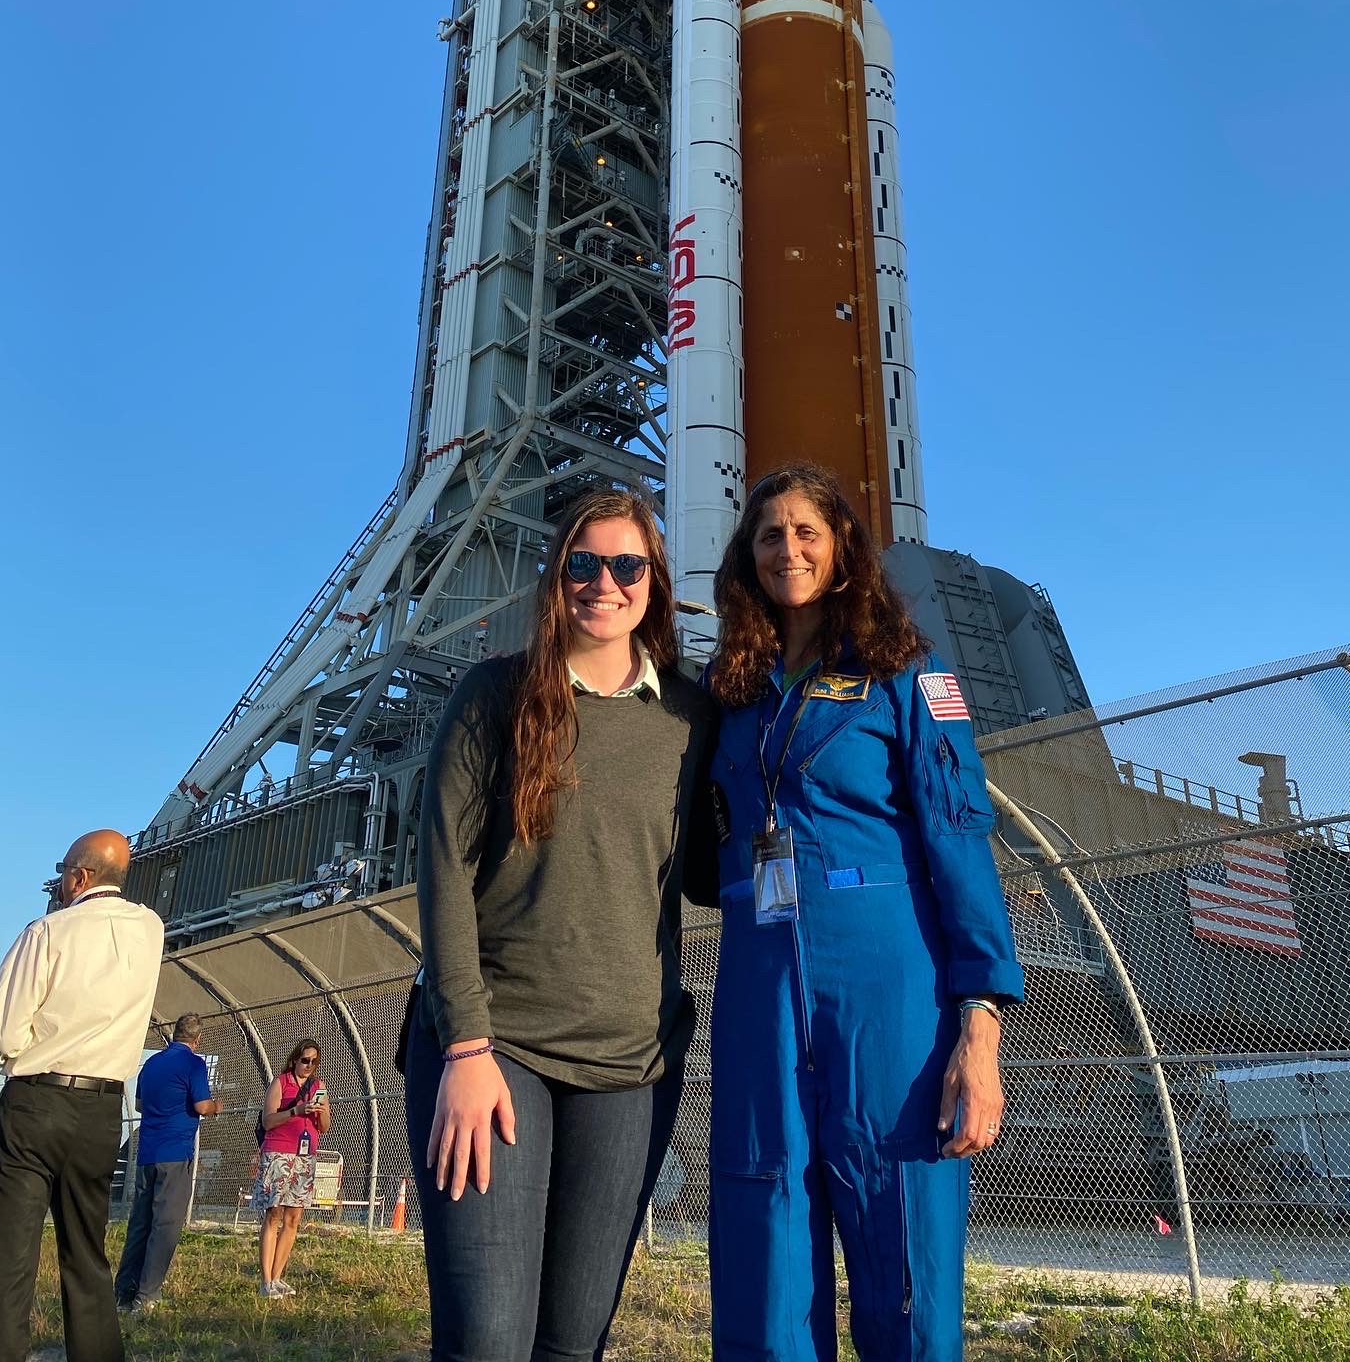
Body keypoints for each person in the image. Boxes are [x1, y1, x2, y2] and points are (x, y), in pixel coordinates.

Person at [700, 463, 1025, 1362]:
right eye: (770, 534)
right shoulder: (732, 692)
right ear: (748, 556)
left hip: (886, 979)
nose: (788, 548)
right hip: (760, 979)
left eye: (807, 530)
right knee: (763, 1227)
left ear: (843, 548)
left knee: (903, 1239)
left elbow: (958, 838)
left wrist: (980, 1024)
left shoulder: (906, 676)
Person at [404, 486, 716, 1362]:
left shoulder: (687, 721)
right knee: (487, 1339)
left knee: (573, 1340)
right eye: (584, 563)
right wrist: (465, 1047)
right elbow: (444, 873)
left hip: (629, 1064)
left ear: (653, 580)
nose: (604, 583)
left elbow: (705, 874)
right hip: (496, 1050)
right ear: (557, 576)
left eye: (626, 566)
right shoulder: (494, 695)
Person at [0, 828, 164, 1362]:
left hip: (35, 1103)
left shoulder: (46, 932)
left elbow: (4, 1034)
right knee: (86, 1254)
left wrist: (3, 1057)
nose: (57, 883)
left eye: (62, 872)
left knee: (7, 1257)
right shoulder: (150, 929)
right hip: (102, 1110)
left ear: (79, 876)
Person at [113, 1012, 223, 1313]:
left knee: (140, 1222)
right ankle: (147, 1295)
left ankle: (123, 1292)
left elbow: (139, 1103)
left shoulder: (152, 1064)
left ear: (174, 1034)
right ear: (197, 1040)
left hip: (148, 1151)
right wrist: (216, 1106)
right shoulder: (194, 1064)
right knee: (166, 1225)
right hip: (175, 1153)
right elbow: (201, 1105)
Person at [254, 1039, 331, 1297]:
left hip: (305, 1155)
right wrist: (296, 1110)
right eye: (305, 1060)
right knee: (273, 1213)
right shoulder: (281, 1082)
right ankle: (265, 1280)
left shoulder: (318, 1087)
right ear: (295, 1059)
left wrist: (319, 1110)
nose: (309, 1065)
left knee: (293, 1217)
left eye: (314, 1061)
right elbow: (268, 1120)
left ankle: (277, 1277)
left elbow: (324, 1126)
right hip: (278, 1153)